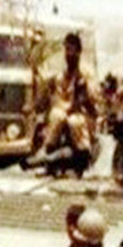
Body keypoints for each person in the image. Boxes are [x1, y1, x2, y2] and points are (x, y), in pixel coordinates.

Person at [34, 32, 95, 168]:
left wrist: (83, 91)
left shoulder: (86, 74)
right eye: (67, 50)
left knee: (75, 122)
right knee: (56, 115)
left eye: (72, 50)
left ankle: (83, 156)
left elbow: (90, 101)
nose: (69, 54)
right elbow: (58, 98)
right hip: (64, 112)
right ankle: (48, 151)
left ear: (78, 52)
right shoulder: (62, 76)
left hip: (82, 114)